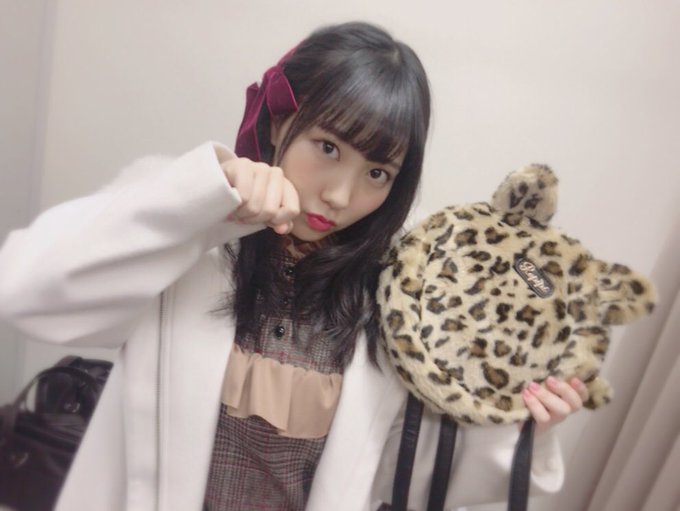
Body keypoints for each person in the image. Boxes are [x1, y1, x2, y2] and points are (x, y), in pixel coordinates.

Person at [0, 21, 588, 511]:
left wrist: (521, 424)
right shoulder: (191, 235)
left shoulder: (395, 303)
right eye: (328, 148)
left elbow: (409, 478)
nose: (340, 194)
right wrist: (206, 199)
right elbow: (26, 291)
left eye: (376, 173)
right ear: (281, 120)